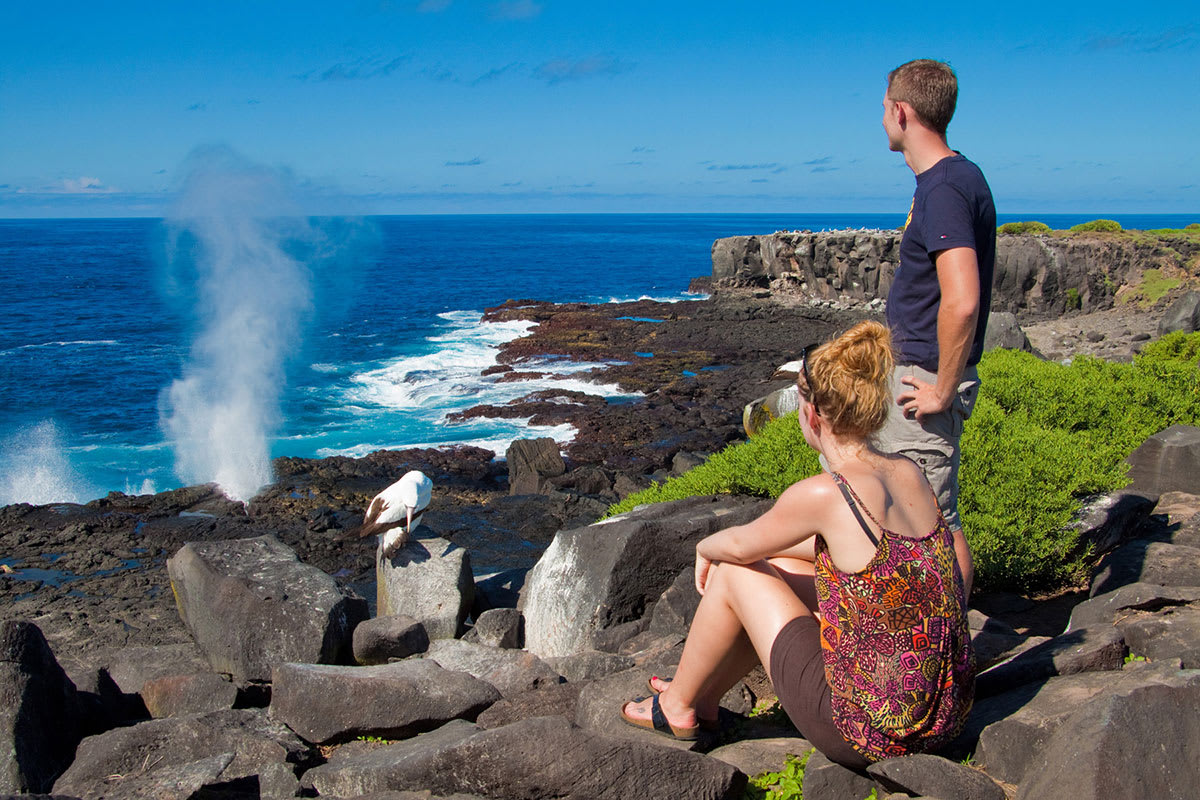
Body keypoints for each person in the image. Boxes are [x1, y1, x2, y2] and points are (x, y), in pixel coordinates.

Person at [619, 321, 974, 767]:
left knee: (737, 573)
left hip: (873, 731)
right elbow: (872, 557)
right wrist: (769, 556)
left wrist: (706, 548)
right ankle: (701, 691)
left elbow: (740, 548)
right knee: (775, 564)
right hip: (945, 713)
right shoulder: (908, 471)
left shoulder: (825, 493)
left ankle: (680, 707)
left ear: (812, 415)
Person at [879, 58, 996, 599]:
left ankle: (950, 659)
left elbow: (963, 301)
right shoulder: (949, 178)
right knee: (910, 512)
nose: (881, 119)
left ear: (902, 112)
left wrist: (942, 391)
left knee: (935, 520)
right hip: (915, 372)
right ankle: (928, 640)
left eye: (883, 108)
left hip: (925, 379)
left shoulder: (945, 187)